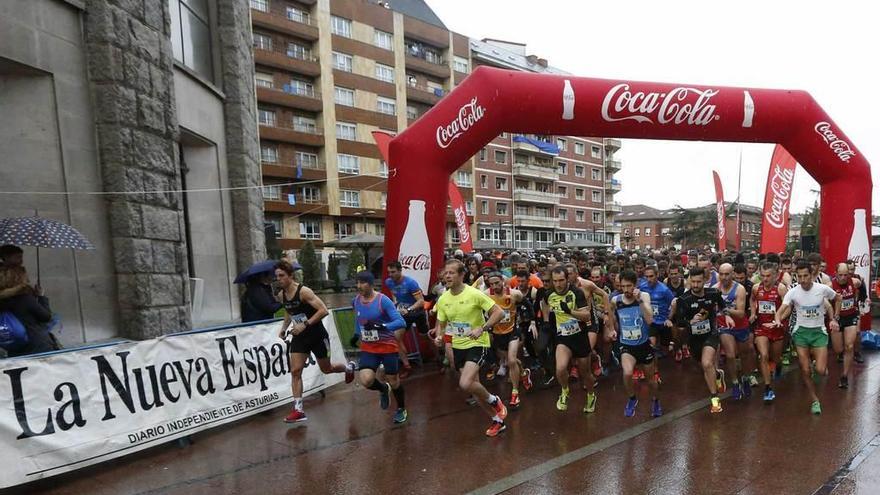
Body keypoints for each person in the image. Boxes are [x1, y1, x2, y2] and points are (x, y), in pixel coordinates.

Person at [433, 259, 508, 437]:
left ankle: (495, 400)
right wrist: (439, 336)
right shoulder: (443, 299)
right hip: (459, 345)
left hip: (478, 343)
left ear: (462, 275)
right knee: (474, 388)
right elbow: (441, 324)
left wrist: (482, 328)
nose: (447, 276)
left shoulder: (474, 294)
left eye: (451, 272)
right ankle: (497, 420)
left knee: (465, 383)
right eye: (446, 272)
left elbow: (499, 312)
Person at [276, 260, 355, 423]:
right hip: (300, 337)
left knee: (327, 368)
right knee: (295, 371)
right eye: (277, 276)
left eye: (282, 275)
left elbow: (323, 310)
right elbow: (289, 311)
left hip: (317, 335)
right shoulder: (281, 294)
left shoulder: (304, 291)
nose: (279, 279)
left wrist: (304, 324)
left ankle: (348, 368)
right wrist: (284, 328)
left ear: (291, 276)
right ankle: (298, 410)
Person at [769, 261, 841, 415]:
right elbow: (781, 310)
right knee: (805, 368)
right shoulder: (793, 292)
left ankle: (818, 372)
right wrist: (777, 320)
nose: (802, 280)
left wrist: (835, 318)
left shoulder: (822, 289)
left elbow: (838, 298)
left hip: (818, 332)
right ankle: (815, 400)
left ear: (812, 275)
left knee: (820, 370)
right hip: (800, 332)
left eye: (805, 276)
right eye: (799, 276)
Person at [672, 267, 733, 413]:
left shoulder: (713, 293)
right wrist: (690, 321)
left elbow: (723, 307)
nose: (695, 285)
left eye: (699, 282)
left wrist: (727, 315)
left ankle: (715, 400)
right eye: (693, 282)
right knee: (705, 366)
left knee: (707, 363)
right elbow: (679, 322)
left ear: (705, 280)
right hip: (693, 339)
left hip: (710, 334)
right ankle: (718, 375)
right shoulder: (683, 300)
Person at [351, 271, 408, 424]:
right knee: (366, 380)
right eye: (357, 282)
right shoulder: (356, 300)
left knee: (394, 380)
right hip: (369, 348)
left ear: (370, 284)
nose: (359, 286)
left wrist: (382, 326)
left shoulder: (383, 301)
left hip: (387, 347)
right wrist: (356, 334)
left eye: (363, 282)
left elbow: (401, 322)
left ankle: (401, 408)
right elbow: (359, 319)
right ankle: (383, 389)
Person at [542, 266, 598, 414]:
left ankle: (591, 395)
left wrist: (569, 311)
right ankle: (565, 391)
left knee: (585, 373)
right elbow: (545, 305)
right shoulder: (549, 294)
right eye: (555, 281)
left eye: (561, 280)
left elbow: (586, 316)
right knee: (560, 369)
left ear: (567, 279)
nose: (558, 284)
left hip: (579, 337)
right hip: (563, 337)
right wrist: (547, 322)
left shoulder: (576, 292)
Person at [609, 270, 662, 417]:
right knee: (627, 373)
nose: (626, 290)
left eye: (629, 286)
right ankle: (632, 398)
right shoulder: (616, 300)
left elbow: (650, 320)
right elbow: (610, 313)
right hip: (627, 345)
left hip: (644, 345)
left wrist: (639, 301)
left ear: (635, 285)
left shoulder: (644, 296)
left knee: (651, 380)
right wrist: (612, 328)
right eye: (623, 286)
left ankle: (656, 400)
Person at [485, 272, 530, 408]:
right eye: (492, 284)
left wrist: (529, 320)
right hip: (498, 334)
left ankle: (514, 394)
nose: (495, 286)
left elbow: (527, 305)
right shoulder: (486, 295)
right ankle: (524, 373)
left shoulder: (514, 294)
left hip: (512, 331)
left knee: (511, 360)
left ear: (503, 282)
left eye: (497, 283)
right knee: (513, 362)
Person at [714, 263, 753, 400]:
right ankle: (735, 383)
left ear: (732, 275)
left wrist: (724, 309)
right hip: (725, 327)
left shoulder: (739, 289)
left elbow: (741, 313)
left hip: (741, 326)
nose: (724, 277)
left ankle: (746, 378)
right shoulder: (714, 289)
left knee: (744, 355)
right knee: (730, 355)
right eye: (721, 274)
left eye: (727, 274)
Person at [750, 262, 788, 403]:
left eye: (768, 276)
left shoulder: (781, 288)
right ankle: (767, 388)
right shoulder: (756, 288)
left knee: (775, 358)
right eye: (763, 276)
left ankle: (778, 366)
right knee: (764, 356)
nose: (765, 279)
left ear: (775, 275)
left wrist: (779, 319)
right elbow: (752, 300)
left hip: (776, 327)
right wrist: (753, 313)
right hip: (761, 328)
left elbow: (788, 307)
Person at [0, 265, 58, 357]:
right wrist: (41, 297)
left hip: (15, 352)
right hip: (38, 348)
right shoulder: (25, 299)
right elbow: (46, 317)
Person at [385, 261, 428, 379]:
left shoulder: (410, 283)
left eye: (393, 272)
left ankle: (438, 359)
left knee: (426, 336)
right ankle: (407, 366)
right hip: (404, 314)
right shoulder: (388, 282)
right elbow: (394, 293)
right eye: (389, 272)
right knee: (396, 337)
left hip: (417, 312)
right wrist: (395, 303)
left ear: (400, 270)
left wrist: (409, 309)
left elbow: (421, 301)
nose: (391, 275)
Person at [830, 262, 862, 389]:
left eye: (846, 275)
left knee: (849, 346)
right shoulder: (830, 286)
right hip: (837, 319)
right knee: (838, 349)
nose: (843, 278)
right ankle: (842, 355)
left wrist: (859, 302)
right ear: (835, 273)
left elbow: (860, 288)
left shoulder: (855, 282)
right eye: (840, 275)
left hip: (850, 316)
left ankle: (844, 376)